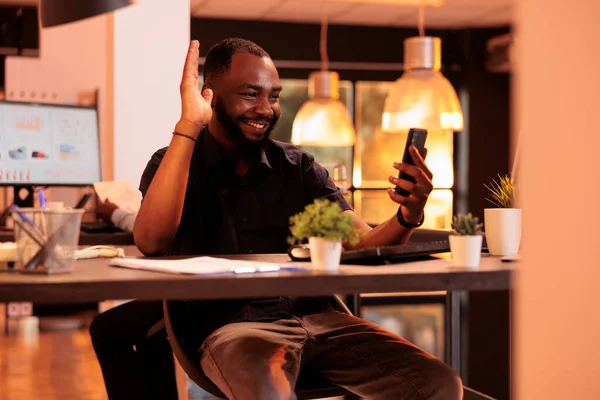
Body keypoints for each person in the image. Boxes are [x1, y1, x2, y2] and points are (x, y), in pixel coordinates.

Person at [89, 38, 462, 400]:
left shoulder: (298, 167)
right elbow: (151, 240)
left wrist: (407, 215)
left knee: (437, 384)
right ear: (212, 95)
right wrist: (189, 124)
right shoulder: (175, 162)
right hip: (235, 330)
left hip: (322, 321)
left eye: (274, 96)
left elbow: (362, 243)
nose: (267, 108)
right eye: (251, 94)